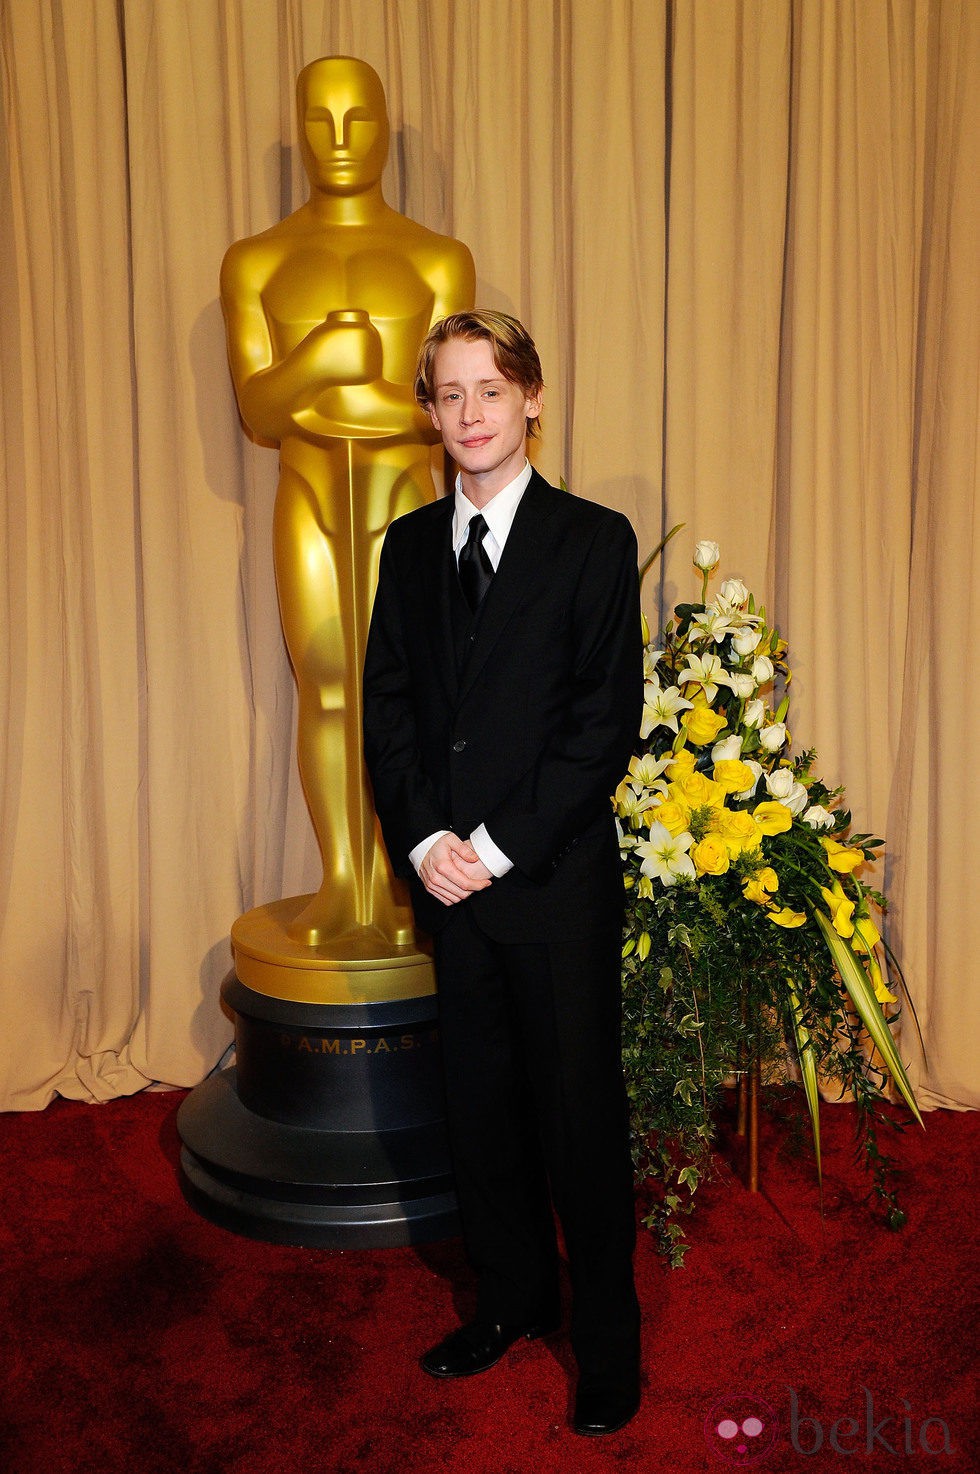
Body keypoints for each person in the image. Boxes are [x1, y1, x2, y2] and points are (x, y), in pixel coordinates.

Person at [362, 310, 643, 1436]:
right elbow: (388, 713)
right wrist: (427, 840)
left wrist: (491, 845)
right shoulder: (407, 547)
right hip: (448, 891)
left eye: (489, 390)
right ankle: (509, 1301)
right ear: (428, 413)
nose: (469, 413)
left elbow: (599, 726)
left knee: (577, 1120)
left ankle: (608, 1341)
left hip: (549, 886)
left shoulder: (592, 540)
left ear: (531, 398)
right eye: (448, 394)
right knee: (476, 1113)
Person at [220, 57, 474, 950]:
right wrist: (316, 368)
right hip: (309, 491)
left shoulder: (437, 259)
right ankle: (341, 881)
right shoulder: (257, 260)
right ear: (297, 129)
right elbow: (258, 405)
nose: (336, 140)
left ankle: (403, 877)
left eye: (356, 120)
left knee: (402, 693)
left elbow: (451, 407)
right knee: (326, 685)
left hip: (408, 497)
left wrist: (340, 396)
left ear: (384, 129)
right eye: (318, 121)